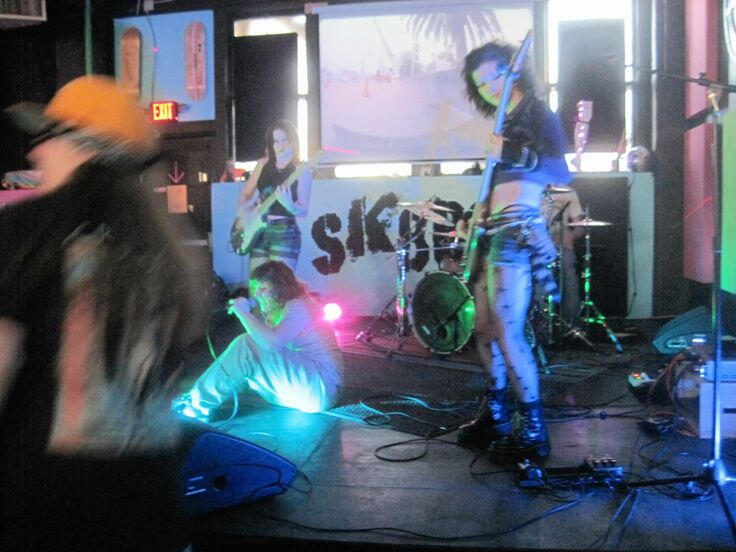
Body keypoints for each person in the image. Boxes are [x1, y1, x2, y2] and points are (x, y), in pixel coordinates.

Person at [0, 76, 204, 550]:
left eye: (46, 136)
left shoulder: (24, 229)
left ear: (80, 144)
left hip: (45, 515)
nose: (35, 152)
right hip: (153, 515)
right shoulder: (166, 255)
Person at [454, 40, 573, 461]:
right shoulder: (503, 120)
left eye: (495, 75)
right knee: (484, 329)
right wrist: (472, 218)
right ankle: (497, 415)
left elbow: (561, 170)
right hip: (491, 232)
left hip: (517, 232)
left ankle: (534, 433)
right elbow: (495, 188)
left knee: (508, 331)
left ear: (514, 70)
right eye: (481, 83)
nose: (490, 86)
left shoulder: (537, 113)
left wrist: (512, 152)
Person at [176, 260, 342, 418]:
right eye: (255, 288)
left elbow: (272, 343)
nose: (257, 294)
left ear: (280, 288)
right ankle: (196, 399)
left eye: (263, 288)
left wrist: (243, 312)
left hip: (321, 387)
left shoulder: (300, 306)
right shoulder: (283, 310)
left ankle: (195, 405)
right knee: (250, 352)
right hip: (311, 390)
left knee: (246, 345)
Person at [233, 120, 311, 273]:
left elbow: (304, 211)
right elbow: (245, 194)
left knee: (280, 283)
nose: (280, 145)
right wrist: (242, 215)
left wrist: (289, 205)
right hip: (258, 230)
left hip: (285, 231)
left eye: (285, 140)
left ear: (293, 141)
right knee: (256, 283)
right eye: (276, 141)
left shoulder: (302, 170)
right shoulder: (262, 164)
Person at [540, 185, 585, 325]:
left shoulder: (568, 191)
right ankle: (539, 324)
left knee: (569, 275)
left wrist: (570, 238)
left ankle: (571, 324)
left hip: (560, 244)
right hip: (536, 246)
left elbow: (580, 225)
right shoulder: (530, 189)